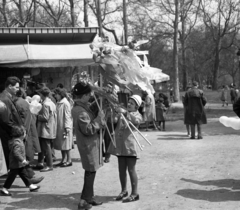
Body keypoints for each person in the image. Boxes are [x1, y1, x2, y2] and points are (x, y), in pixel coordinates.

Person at [71, 82, 105, 210]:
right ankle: (83, 201)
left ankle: (89, 197)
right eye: (89, 94)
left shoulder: (81, 107)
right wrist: (98, 120)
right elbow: (88, 129)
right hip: (88, 145)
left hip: (89, 144)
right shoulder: (80, 111)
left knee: (91, 171)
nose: (90, 96)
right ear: (83, 95)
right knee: (90, 171)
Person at [108, 95, 142, 203]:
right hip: (120, 146)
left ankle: (135, 193)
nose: (129, 104)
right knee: (121, 169)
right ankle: (123, 190)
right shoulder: (122, 113)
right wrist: (114, 113)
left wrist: (125, 113)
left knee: (131, 170)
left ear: (137, 106)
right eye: (129, 102)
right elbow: (114, 121)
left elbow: (136, 121)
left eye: (132, 103)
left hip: (130, 147)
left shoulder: (137, 115)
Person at [1, 125, 40, 196]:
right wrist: (23, 160)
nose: (25, 134)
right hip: (16, 164)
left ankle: (30, 185)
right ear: (21, 135)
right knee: (11, 177)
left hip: (19, 164)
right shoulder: (17, 143)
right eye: (24, 133)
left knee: (24, 175)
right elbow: (16, 153)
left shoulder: (17, 141)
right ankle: (5, 188)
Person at [15, 88, 43, 183]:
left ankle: (30, 178)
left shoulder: (19, 103)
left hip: (18, 133)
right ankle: (30, 179)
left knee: (19, 158)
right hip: (20, 133)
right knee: (18, 158)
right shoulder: (22, 103)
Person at [36, 87, 57, 172]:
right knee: (45, 146)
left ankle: (49, 165)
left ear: (41, 94)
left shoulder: (45, 104)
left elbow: (45, 117)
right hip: (50, 128)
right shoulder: (51, 103)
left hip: (46, 129)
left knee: (46, 147)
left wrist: (36, 114)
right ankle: (41, 163)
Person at [53, 88, 73, 167]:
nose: (55, 96)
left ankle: (69, 160)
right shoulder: (59, 103)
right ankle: (63, 159)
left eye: (56, 94)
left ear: (60, 94)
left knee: (66, 144)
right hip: (60, 126)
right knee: (62, 144)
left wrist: (67, 127)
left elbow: (68, 115)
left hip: (64, 127)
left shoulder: (65, 103)